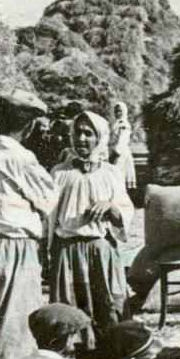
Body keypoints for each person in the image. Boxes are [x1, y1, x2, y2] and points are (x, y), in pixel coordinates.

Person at [0, 89, 58, 359]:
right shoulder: (20, 158)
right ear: (30, 126)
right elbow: (48, 200)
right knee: (13, 331)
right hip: (12, 245)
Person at [48, 111, 134, 341]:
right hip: (67, 252)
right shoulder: (60, 173)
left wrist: (110, 207)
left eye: (89, 133)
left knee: (107, 307)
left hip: (100, 251)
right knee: (69, 312)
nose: (82, 138)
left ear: (100, 138)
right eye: (78, 132)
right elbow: (47, 215)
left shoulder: (111, 173)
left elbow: (125, 212)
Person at [108, 101, 137, 191]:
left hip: (120, 153)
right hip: (113, 151)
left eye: (120, 111)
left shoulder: (124, 125)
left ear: (124, 112)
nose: (117, 113)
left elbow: (122, 141)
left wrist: (115, 154)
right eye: (116, 111)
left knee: (118, 174)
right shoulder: (116, 124)